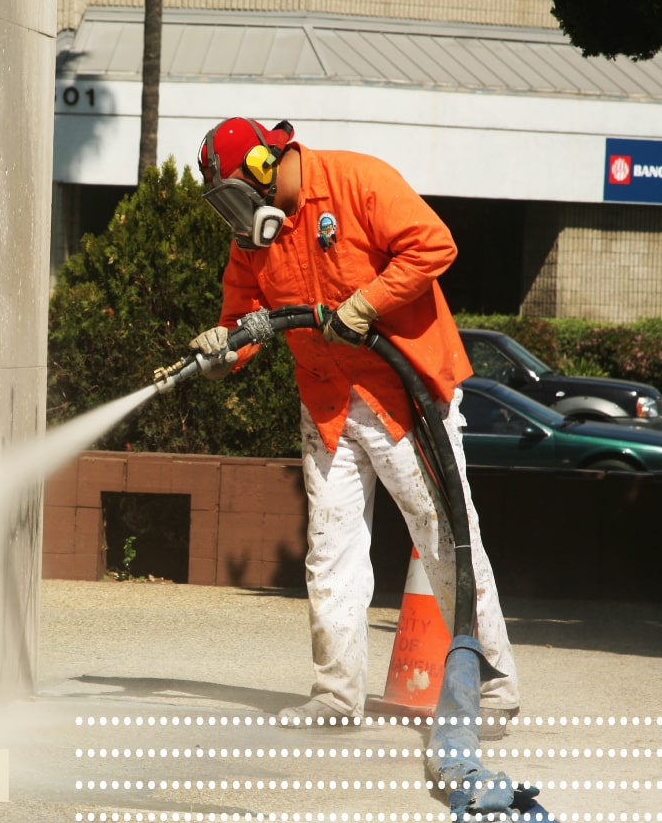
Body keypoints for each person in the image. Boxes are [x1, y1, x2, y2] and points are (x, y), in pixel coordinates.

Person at [189, 117, 520, 734]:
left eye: (235, 193)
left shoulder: (354, 180)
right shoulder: (253, 240)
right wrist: (222, 349)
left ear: (265, 165)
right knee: (330, 553)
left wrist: (365, 304)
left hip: (404, 395)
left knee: (447, 540)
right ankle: (337, 697)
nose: (236, 216)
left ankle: (495, 689)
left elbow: (433, 243)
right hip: (328, 404)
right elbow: (245, 319)